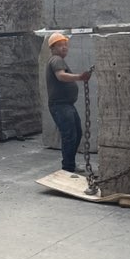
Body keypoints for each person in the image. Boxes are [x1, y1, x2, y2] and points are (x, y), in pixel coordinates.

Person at [45, 32, 91, 173]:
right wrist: (80, 77)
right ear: (52, 48)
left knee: (76, 133)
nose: (64, 47)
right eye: (60, 45)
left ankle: (70, 164)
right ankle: (68, 168)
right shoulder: (56, 60)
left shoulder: (58, 60)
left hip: (66, 105)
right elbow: (61, 76)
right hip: (60, 105)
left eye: (65, 44)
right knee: (70, 135)